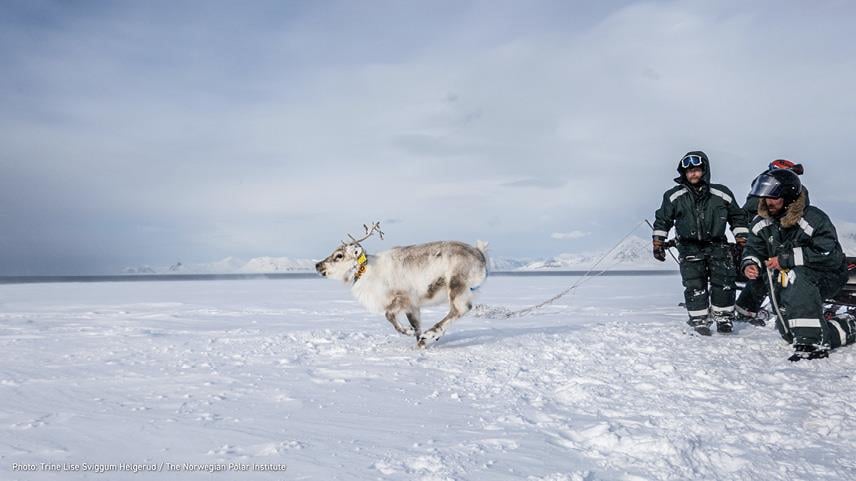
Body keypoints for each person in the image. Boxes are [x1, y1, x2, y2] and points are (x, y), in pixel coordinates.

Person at [741, 169, 854, 360]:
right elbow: (754, 248)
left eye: (773, 197)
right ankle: (848, 327)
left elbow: (829, 254)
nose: (768, 202)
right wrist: (750, 263)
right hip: (787, 280)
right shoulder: (761, 223)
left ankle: (812, 344)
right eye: (765, 197)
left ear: (788, 197)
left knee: (797, 277)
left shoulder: (814, 219)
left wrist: (786, 259)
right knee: (790, 334)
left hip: (827, 275)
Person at [653, 151, 749, 335]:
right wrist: (658, 243)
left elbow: (738, 217)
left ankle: (724, 319)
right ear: (684, 174)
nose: (693, 174)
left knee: (724, 283)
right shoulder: (673, 196)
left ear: (705, 170)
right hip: (689, 247)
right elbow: (662, 219)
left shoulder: (722, 193)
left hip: (718, 245)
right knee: (694, 285)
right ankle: (699, 320)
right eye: (689, 171)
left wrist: (742, 239)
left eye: (696, 170)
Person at [735, 160, 806, 326]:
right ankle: (748, 310)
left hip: (783, 243)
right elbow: (749, 216)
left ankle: (790, 313)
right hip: (765, 240)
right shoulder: (764, 192)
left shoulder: (795, 193)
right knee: (764, 273)